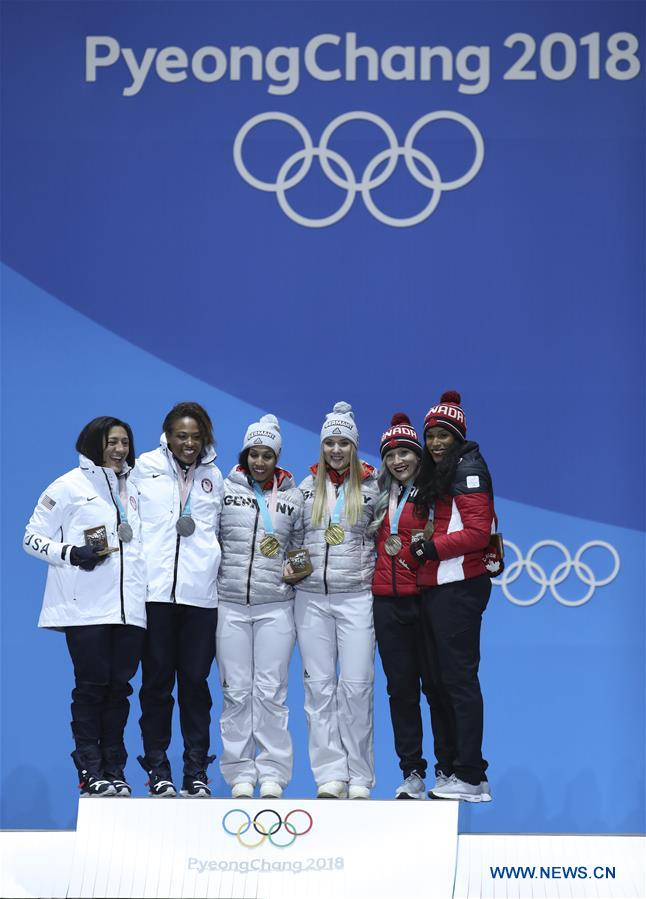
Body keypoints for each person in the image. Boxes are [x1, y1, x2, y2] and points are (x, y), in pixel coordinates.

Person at [23, 417, 147, 797]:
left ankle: (115, 767)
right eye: (112, 442)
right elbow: (30, 538)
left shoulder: (136, 486)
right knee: (91, 689)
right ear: (94, 443)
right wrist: (71, 553)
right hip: (86, 608)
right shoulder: (68, 486)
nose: (119, 449)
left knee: (120, 689)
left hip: (129, 609)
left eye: (125, 442)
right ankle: (90, 769)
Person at [132, 402, 224, 797]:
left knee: (195, 684)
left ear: (205, 437)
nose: (188, 443)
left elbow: (218, 531)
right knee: (155, 684)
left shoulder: (215, 476)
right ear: (167, 435)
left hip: (200, 598)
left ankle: (196, 769)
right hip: (155, 595)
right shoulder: (142, 468)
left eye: (195, 436)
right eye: (181, 435)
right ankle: (157, 766)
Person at [408, 390, 495, 802]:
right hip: (436, 588)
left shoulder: (470, 468)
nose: (437, 442)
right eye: (431, 436)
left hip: (459, 587)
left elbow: (478, 533)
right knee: (438, 683)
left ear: (459, 437)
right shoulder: (441, 471)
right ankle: (452, 770)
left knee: (458, 682)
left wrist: (433, 548)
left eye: (444, 435)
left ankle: (472, 775)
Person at [216, 414, 303, 800]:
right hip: (230, 604)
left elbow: (302, 550)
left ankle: (272, 773)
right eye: (254, 453)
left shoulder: (293, 497)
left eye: (267, 455)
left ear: (277, 457)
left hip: (276, 606)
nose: (260, 462)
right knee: (236, 691)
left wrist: (295, 568)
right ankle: (238, 774)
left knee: (271, 692)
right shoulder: (222, 489)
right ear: (245, 454)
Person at [295, 401, 378, 799]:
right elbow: (291, 541)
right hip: (310, 600)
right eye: (329, 442)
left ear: (354, 446)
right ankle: (330, 775)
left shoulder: (374, 489)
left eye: (343, 442)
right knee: (319, 690)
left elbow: (387, 538)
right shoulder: (306, 488)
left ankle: (360, 777)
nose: (336, 449)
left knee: (357, 688)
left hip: (356, 597)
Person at [369, 412, 440, 800]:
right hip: (386, 603)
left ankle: (446, 767)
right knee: (401, 691)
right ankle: (412, 771)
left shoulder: (432, 491)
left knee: (435, 686)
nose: (398, 460)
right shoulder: (379, 494)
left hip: (425, 599)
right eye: (391, 454)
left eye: (405, 453)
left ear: (418, 455)